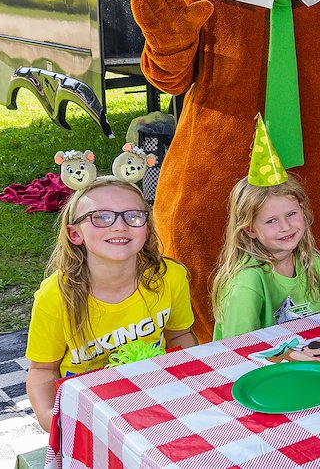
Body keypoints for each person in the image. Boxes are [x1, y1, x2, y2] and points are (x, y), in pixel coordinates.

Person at [24, 177, 197, 432]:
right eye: (101, 217)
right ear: (75, 233)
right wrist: (49, 417)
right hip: (89, 412)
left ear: (146, 229)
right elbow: (42, 370)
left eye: (133, 216)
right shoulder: (55, 296)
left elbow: (180, 334)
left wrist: (189, 384)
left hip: (156, 393)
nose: (119, 226)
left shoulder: (170, 276)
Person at [210, 176, 320, 340]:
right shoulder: (246, 282)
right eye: (271, 221)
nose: (286, 227)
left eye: (291, 214)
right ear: (250, 229)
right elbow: (240, 350)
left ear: (302, 210)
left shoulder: (311, 262)